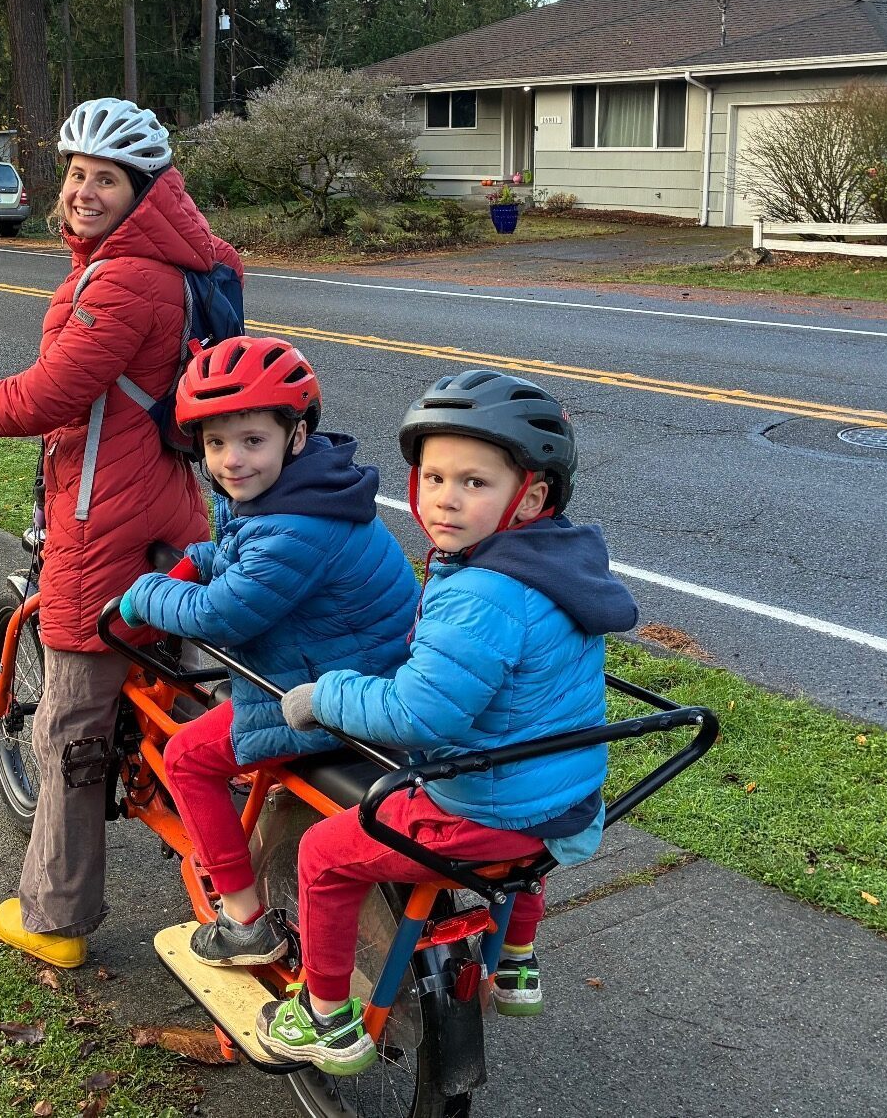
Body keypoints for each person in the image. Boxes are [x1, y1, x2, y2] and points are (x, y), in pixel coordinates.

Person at [0, 98, 239, 969]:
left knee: (69, 716)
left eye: (106, 180)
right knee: (179, 678)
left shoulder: (126, 278)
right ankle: (209, 827)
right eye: (79, 175)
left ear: (144, 190)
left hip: (105, 515)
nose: (85, 192)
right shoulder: (181, 263)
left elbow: (46, 397)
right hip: (168, 496)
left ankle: (54, 915)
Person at [260, 370, 640, 1075]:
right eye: (433, 477)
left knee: (324, 855)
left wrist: (326, 693)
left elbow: (418, 712)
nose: (445, 499)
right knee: (531, 845)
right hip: (561, 796)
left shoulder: (483, 593)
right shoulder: (557, 562)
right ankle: (518, 961)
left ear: (529, 495)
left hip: (481, 808)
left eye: (473, 482)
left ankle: (325, 1017)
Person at [116, 336, 419, 966]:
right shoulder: (307, 493)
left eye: (252, 440)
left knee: (189, 755)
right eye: (216, 442)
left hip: (327, 697)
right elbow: (240, 553)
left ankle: (243, 919)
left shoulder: (296, 529)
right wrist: (198, 559)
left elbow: (222, 614)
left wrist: (144, 595)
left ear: (295, 435)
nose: (232, 460)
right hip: (360, 668)